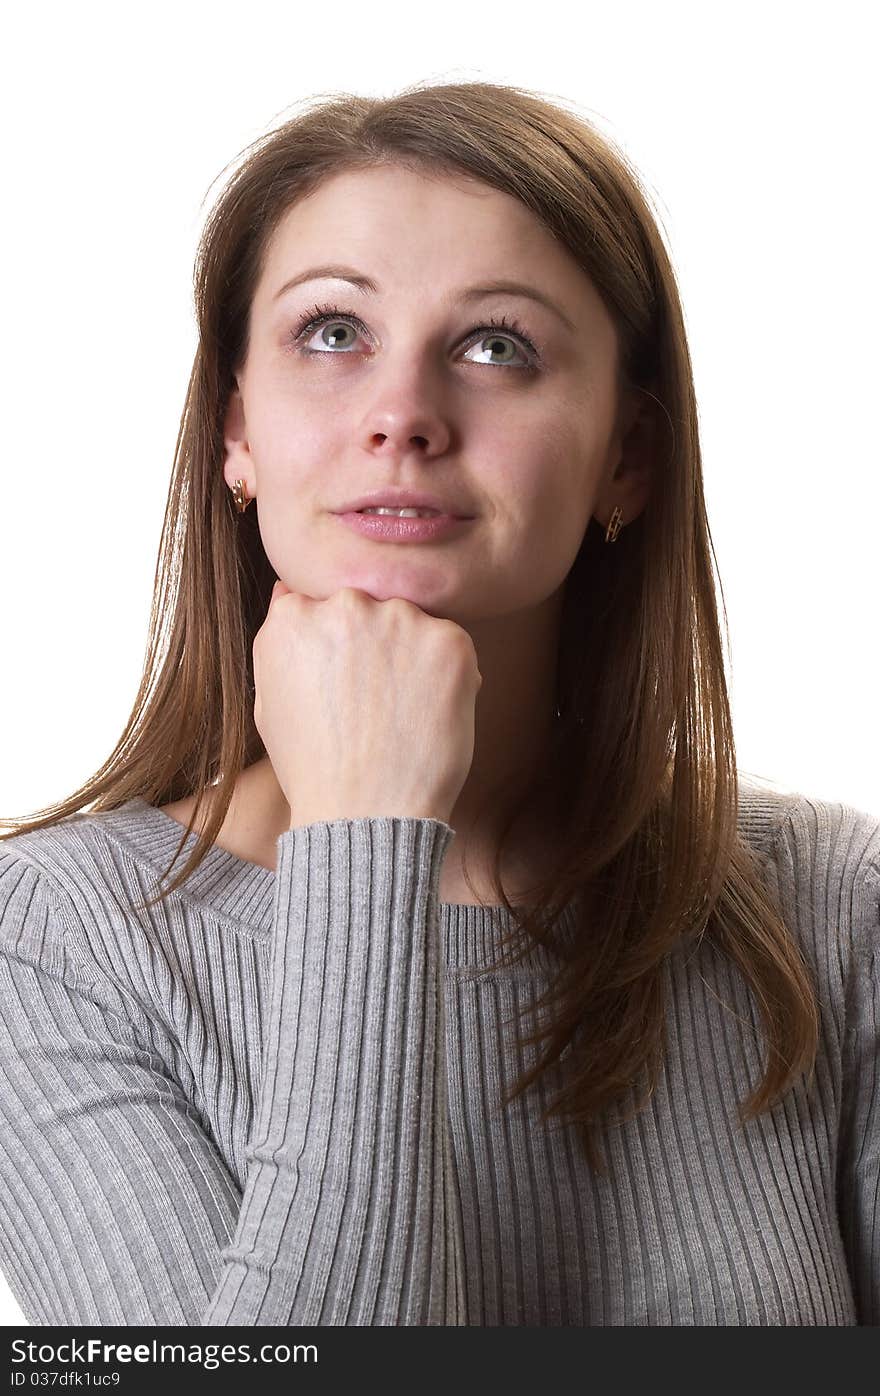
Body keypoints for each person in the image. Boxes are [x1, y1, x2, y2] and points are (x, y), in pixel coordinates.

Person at [0, 78, 878, 1328]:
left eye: (495, 345)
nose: (402, 416)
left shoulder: (831, 908)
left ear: (626, 454)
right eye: (331, 331)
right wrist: (363, 833)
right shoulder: (54, 943)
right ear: (237, 432)